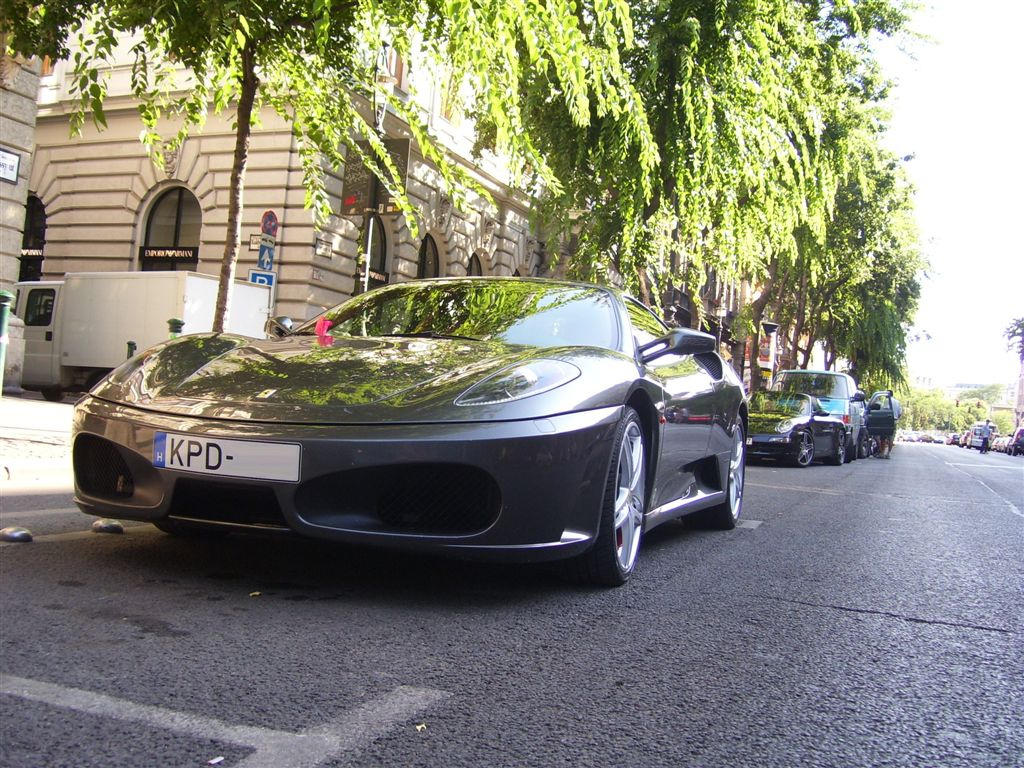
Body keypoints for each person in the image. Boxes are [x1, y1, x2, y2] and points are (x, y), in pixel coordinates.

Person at [867, 390, 901, 459]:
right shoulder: (897, 402)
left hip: (887, 420)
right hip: (894, 420)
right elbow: (900, 413)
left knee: (883, 437)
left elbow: (884, 410)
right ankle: (888, 454)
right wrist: (896, 418)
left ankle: (882, 453)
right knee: (891, 438)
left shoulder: (887, 401)